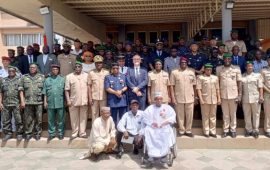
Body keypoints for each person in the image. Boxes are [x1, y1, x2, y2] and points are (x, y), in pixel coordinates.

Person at [142, 92, 176, 167]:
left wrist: (165, 122)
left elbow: (172, 117)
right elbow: (145, 118)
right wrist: (152, 123)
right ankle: (151, 156)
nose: (159, 100)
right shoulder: (150, 108)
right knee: (148, 131)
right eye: (157, 99)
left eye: (160, 99)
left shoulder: (167, 107)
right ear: (154, 100)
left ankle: (164, 156)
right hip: (153, 128)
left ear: (162, 100)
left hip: (164, 127)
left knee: (166, 133)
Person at [216, 55, 242, 138]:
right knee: (225, 114)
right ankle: (225, 130)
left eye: (229, 59)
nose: (227, 60)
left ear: (231, 60)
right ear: (223, 60)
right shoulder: (219, 69)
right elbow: (217, 83)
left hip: (234, 95)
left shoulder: (236, 69)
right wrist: (218, 96)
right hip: (223, 95)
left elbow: (239, 82)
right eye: (226, 59)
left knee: (233, 114)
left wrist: (240, 95)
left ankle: (233, 130)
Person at [170, 57, 197, 137]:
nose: (183, 64)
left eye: (185, 62)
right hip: (179, 97)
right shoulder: (174, 72)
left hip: (190, 96)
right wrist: (173, 97)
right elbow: (172, 86)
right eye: (182, 62)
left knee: (190, 115)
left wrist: (195, 97)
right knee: (180, 114)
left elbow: (195, 85)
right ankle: (181, 130)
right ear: (179, 63)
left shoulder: (191, 72)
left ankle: (188, 130)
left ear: (187, 63)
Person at [20, 63, 45, 141]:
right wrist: (22, 101)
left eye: (34, 67)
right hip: (28, 102)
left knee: (39, 119)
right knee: (28, 119)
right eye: (31, 67)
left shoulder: (42, 77)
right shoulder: (24, 77)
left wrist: (45, 101)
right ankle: (28, 133)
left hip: (39, 102)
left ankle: (38, 133)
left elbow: (45, 91)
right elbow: (21, 90)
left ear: (37, 68)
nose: (32, 69)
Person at [65, 61, 89, 139]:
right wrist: (68, 100)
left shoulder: (87, 76)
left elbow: (89, 88)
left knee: (83, 118)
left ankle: (82, 133)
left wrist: (89, 98)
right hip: (73, 100)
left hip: (84, 100)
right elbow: (66, 90)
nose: (77, 68)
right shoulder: (69, 76)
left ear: (82, 68)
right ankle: (74, 133)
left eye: (79, 67)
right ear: (74, 68)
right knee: (73, 117)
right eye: (76, 67)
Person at [0, 66, 24, 141]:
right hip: (6, 103)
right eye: (9, 71)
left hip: (16, 103)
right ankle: (8, 134)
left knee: (18, 119)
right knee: (6, 120)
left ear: (15, 72)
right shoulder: (4, 80)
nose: (11, 72)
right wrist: (0, 102)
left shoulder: (18, 80)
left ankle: (19, 134)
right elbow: (1, 92)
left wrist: (22, 101)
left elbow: (21, 91)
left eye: (12, 71)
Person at [196, 63, 221, 138]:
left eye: (210, 70)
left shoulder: (215, 78)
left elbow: (217, 89)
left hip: (214, 99)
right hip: (205, 100)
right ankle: (206, 131)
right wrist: (201, 99)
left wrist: (219, 98)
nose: (209, 71)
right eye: (207, 70)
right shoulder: (200, 78)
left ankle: (212, 131)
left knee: (213, 116)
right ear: (205, 70)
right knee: (205, 116)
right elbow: (198, 89)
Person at [43, 64, 65, 140]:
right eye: (53, 69)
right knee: (50, 119)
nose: (55, 71)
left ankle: (60, 133)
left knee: (61, 119)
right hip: (50, 102)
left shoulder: (62, 79)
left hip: (60, 102)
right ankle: (51, 133)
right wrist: (45, 102)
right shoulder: (47, 80)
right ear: (51, 70)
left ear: (58, 70)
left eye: (56, 69)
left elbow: (65, 91)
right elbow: (45, 92)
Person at [241, 61, 264, 138]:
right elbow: (241, 89)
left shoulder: (258, 75)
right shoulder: (242, 76)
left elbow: (260, 87)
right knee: (247, 114)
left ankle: (256, 130)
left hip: (255, 98)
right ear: (245, 67)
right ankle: (249, 130)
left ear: (253, 67)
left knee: (256, 114)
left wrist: (261, 96)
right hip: (245, 98)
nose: (250, 67)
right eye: (248, 66)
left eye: (251, 66)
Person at [88, 55, 110, 121]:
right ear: (94, 64)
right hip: (94, 97)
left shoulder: (107, 72)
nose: (98, 64)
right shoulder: (91, 73)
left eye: (100, 62)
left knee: (104, 113)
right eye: (97, 63)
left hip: (104, 97)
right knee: (94, 114)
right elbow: (89, 86)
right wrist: (90, 98)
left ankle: (103, 129)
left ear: (102, 63)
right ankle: (95, 130)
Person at [261, 58, 270, 138]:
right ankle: (267, 129)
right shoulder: (263, 71)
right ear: (267, 61)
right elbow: (261, 83)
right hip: (268, 94)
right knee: (268, 113)